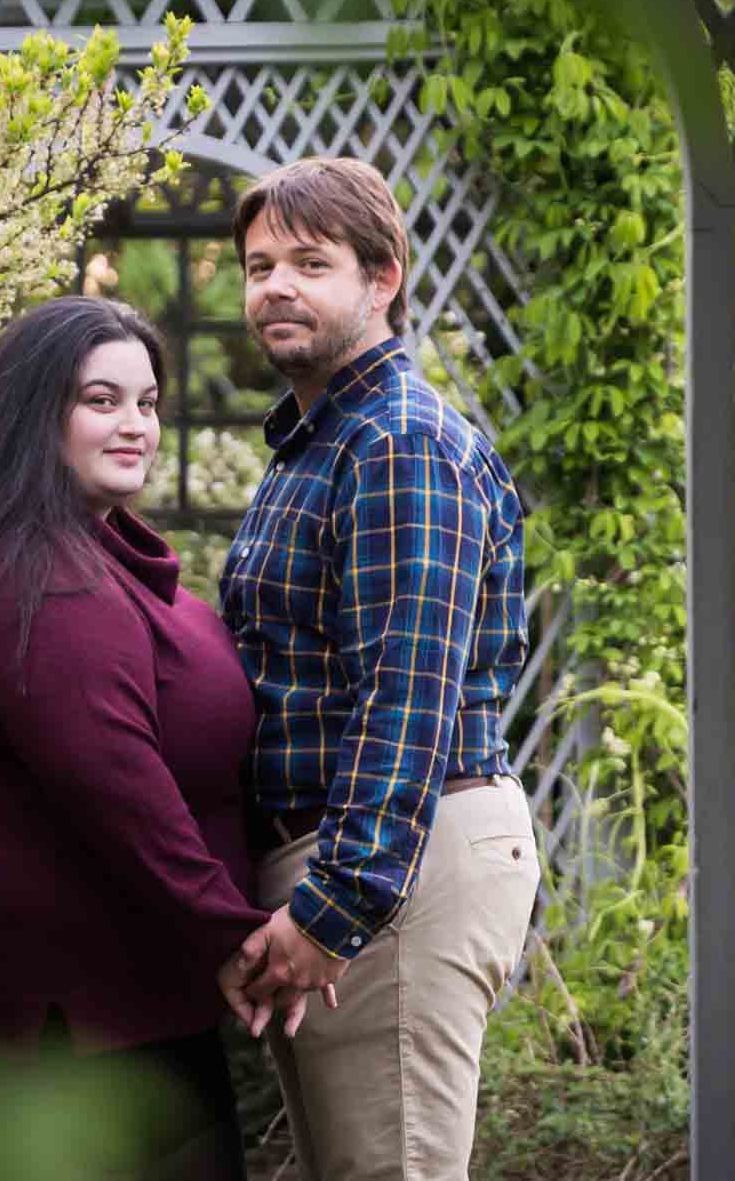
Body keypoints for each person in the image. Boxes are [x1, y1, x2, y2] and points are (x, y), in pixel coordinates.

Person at [0, 296, 309, 1181]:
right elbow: (112, 777)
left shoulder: (81, 553)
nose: (135, 425)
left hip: (103, 996)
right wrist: (236, 935)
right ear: (34, 414)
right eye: (101, 400)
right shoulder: (39, 572)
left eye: (148, 402)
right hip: (66, 1010)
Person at [214, 157, 542, 1181]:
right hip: (350, 860)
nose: (275, 286)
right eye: (259, 264)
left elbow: (404, 696)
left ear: (381, 278)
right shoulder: (317, 444)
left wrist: (333, 906)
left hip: (392, 867)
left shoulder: (396, 444)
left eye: (309, 263)